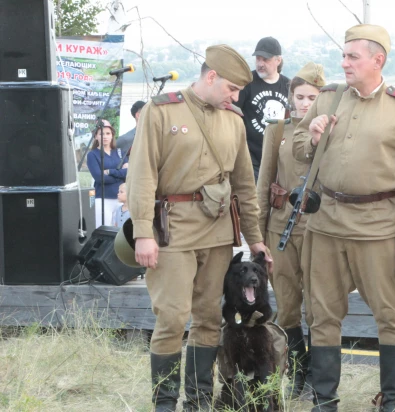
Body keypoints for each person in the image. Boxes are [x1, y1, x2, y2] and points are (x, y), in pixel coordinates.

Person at [293, 24, 395, 412]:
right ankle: (325, 402)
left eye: (353, 56)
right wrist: (314, 136)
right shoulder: (328, 99)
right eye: (343, 55)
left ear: (378, 60)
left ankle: (393, 402)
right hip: (326, 225)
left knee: (390, 317)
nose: (344, 63)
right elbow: (298, 149)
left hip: (379, 229)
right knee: (322, 316)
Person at [126, 44, 272, 412]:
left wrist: (255, 239)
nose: (235, 97)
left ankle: (199, 399)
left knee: (209, 317)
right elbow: (142, 174)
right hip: (172, 232)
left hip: (219, 233)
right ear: (211, 77)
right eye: (231, 89)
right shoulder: (161, 112)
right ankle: (163, 403)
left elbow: (244, 186)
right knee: (173, 317)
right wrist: (143, 231)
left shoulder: (234, 120)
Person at [256, 61, 325, 399]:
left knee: (318, 305)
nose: (304, 103)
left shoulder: (332, 131)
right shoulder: (277, 131)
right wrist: (257, 234)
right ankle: (298, 374)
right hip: (281, 227)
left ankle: (318, 377)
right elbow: (264, 180)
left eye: (312, 97)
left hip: (318, 228)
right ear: (291, 96)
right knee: (286, 303)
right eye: (299, 96)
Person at [234, 36, 291, 181]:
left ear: (278, 60)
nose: (260, 63)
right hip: (251, 159)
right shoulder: (247, 82)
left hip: (279, 158)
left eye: (265, 59)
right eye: (258, 59)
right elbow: (232, 114)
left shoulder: (288, 86)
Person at [86, 120, 127, 227]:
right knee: (103, 231)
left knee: (120, 233)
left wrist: (110, 172)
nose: (105, 136)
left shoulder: (120, 152)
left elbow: (128, 173)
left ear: (112, 135)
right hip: (103, 199)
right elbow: (100, 178)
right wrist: (120, 176)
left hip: (121, 199)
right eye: (101, 133)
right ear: (95, 136)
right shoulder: (92, 155)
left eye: (108, 133)